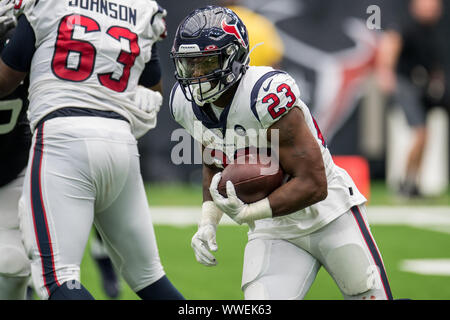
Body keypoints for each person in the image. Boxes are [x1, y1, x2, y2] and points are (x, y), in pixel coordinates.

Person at [170, 6, 393, 300]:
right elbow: (214, 161)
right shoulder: (184, 104)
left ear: (234, 58)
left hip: (329, 215)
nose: (197, 75)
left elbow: (315, 183)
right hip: (273, 229)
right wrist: (208, 221)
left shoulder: (265, 94)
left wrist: (250, 211)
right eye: (190, 64)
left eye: (207, 62)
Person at [0, 0, 184, 300]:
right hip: (120, 143)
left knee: (56, 278)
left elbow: (5, 80)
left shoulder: (48, 4)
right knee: (150, 277)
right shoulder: (140, 8)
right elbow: (152, 91)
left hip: (63, 137)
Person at [375, 0, 447, 198]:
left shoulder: (432, 31)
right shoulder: (405, 25)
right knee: (421, 133)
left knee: (425, 135)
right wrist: (385, 72)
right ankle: (405, 182)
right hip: (405, 83)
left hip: (421, 86)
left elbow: (432, 62)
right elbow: (390, 45)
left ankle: (413, 182)